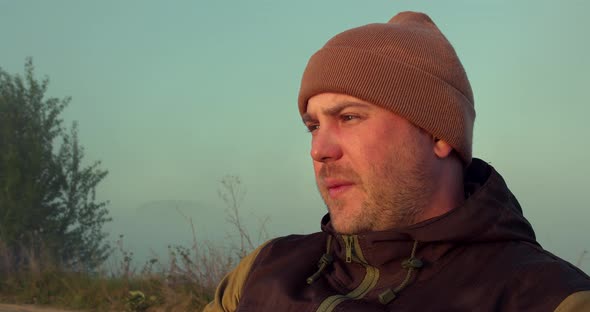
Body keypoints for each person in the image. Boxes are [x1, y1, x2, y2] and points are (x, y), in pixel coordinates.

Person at [203, 11, 590, 312]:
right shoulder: (263, 271)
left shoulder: (547, 298)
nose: (318, 149)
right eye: (313, 126)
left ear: (438, 134)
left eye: (349, 117)